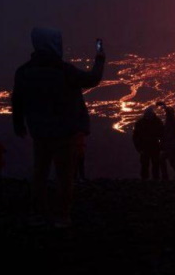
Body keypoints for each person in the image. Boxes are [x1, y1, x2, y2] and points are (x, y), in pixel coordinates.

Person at [12, 28, 105, 228]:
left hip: (39, 132)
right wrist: (100, 58)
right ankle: (62, 216)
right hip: (65, 132)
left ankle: (37, 214)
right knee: (65, 176)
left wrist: (19, 124)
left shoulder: (24, 72)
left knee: (40, 173)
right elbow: (92, 79)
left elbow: (17, 101)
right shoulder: (64, 71)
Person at [132, 107, 164, 181]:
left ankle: (152, 180)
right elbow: (136, 137)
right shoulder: (156, 122)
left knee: (153, 164)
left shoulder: (141, 123)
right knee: (146, 164)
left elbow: (162, 134)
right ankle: (148, 180)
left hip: (152, 147)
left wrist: (139, 148)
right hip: (148, 147)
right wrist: (139, 148)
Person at [160, 106, 175, 180]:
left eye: (167, 114)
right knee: (171, 160)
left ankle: (170, 176)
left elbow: (170, 134)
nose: (166, 115)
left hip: (171, 146)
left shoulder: (172, 123)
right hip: (172, 145)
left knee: (171, 160)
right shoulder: (173, 122)